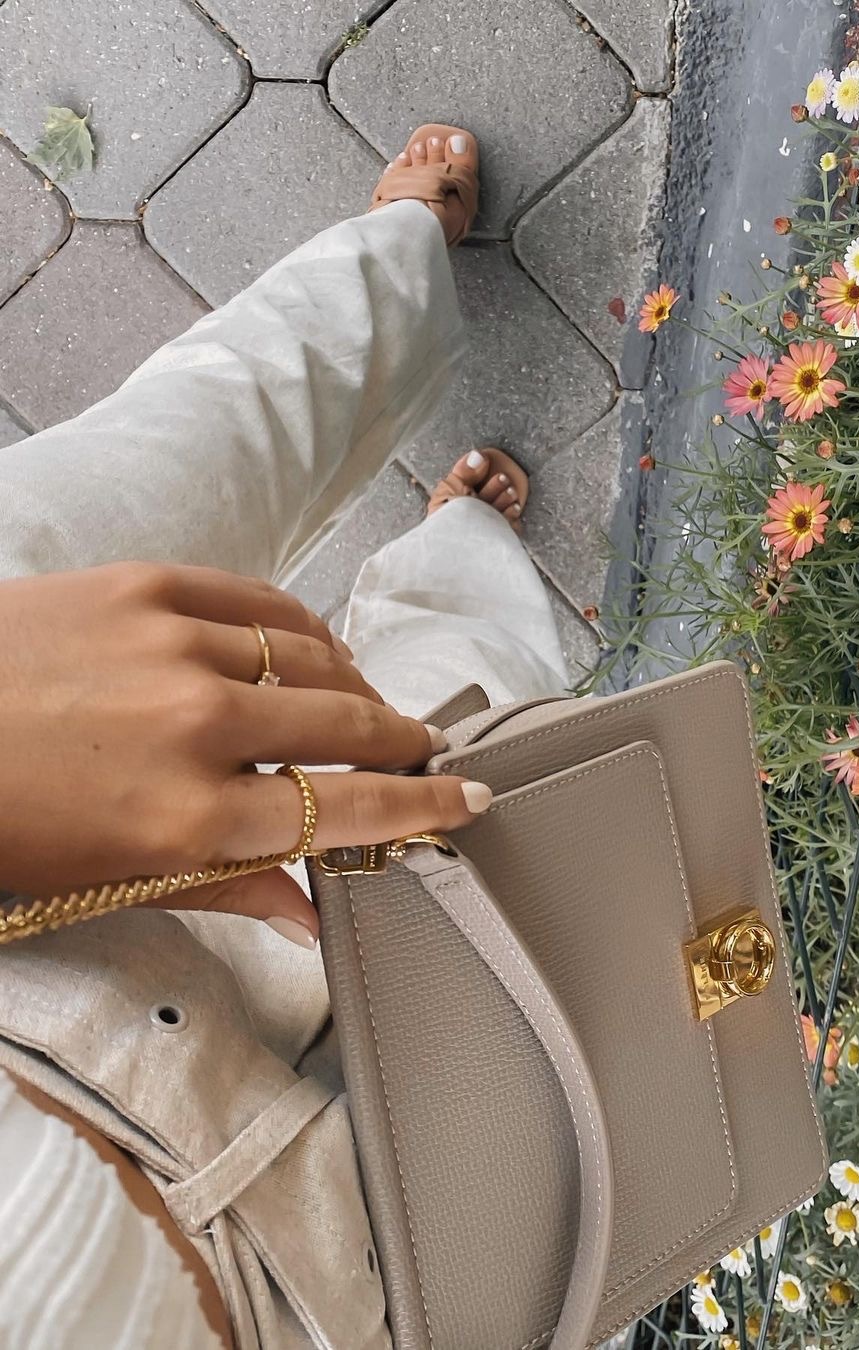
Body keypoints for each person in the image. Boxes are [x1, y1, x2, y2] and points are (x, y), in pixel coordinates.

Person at [0, 124, 572, 1347]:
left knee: (200, 452)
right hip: (310, 1274)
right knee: (466, 734)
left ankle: (395, 261)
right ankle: (463, 549)